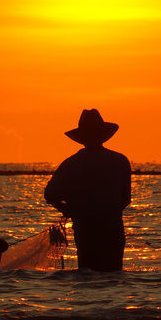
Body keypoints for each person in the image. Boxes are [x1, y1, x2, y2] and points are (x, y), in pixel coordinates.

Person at [44, 109, 132, 271]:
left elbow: (50, 194)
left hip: (85, 229)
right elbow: (126, 199)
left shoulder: (71, 164)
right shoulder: (120, 161)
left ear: (82, 138)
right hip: (112, 229)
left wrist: (68, 210)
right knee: (113, 274)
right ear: (103, 135)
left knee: (86, 273)